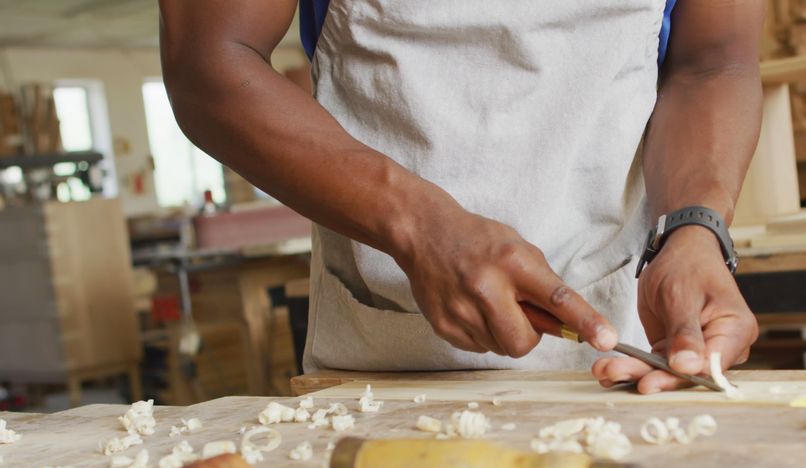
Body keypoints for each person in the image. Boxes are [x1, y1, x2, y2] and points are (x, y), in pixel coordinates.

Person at [159, 0, 762, 394]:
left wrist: (693, 228)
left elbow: (713, 65)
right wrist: (418, 227)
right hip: (388, 357)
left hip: (621, 348)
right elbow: (207, 62)